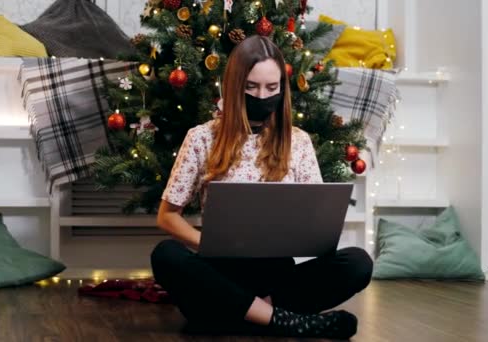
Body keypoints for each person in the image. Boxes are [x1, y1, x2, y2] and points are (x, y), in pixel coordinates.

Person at [152, 35, 373, 339]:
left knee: (358, 263)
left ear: (283, 88)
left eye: (272, 88)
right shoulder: (201, 137)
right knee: (166, 255)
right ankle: (287, 322)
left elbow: (316, 224)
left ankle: (241, 316)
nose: (262, 95)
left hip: (277, 278)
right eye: (251, 87)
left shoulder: (299, 141)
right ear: (233, 86)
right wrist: (207, 245)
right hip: (218, 274)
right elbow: (167, 216)